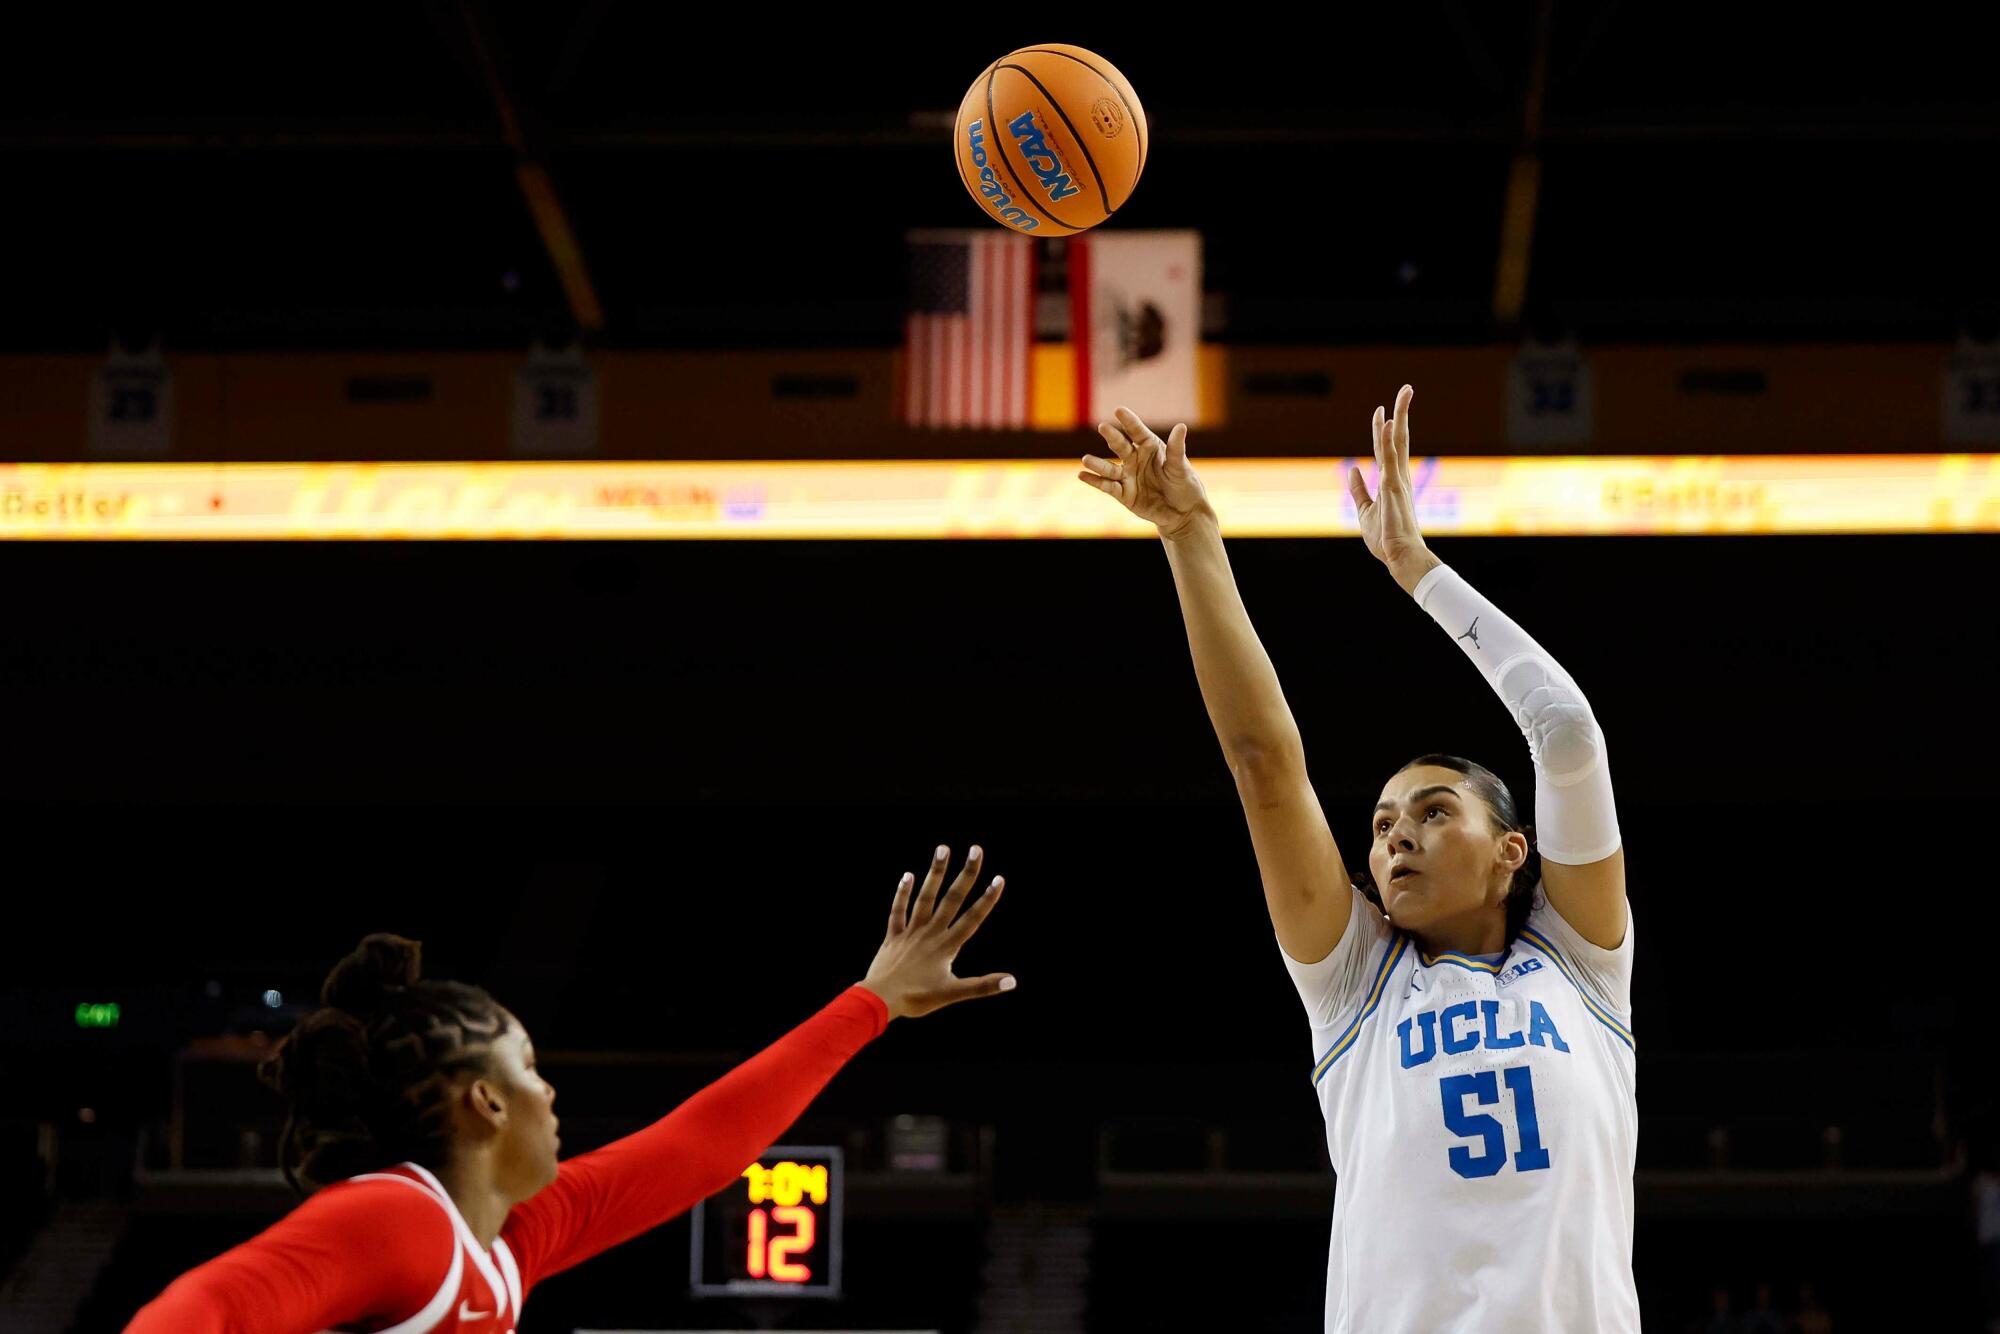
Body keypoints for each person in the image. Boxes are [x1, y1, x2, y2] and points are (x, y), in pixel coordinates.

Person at [1078, 388, 1636, 1331]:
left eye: (1431, 811)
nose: (1395, 837)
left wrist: (1415, 567)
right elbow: (1265, 765)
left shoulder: (1582, 965)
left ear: (1513, 850)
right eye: (1379, 826)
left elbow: (1567, 735)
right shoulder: (1355, 986)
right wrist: (1190, 536)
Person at [127, 846, 1011, 1333]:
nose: (554, 1097)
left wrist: (873, 1004)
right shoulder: (396, 1220)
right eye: (530, 1071)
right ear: (485, 1104)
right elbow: (193, 1315)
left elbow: (696, 1150)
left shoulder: (508, 1242)